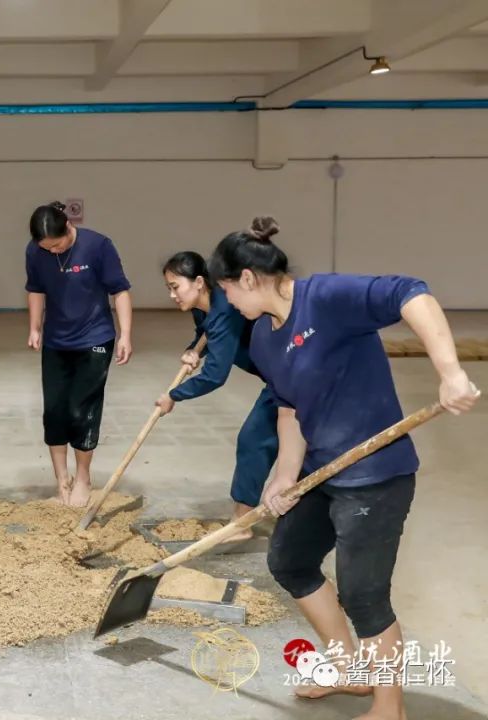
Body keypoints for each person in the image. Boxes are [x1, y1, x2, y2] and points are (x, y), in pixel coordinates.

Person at [209, 216, 479, 720]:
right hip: (321, 468)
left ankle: (389, 707)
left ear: (246, 278)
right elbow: (289, 408)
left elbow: (411, 293)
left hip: (375, 474)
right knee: (290, 561)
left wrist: (449, 372)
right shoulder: (264, 337)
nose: (226, 301)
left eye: (225, 289)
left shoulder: (326, 298)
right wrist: (285, 474)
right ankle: (350, 670)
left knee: (363, 595)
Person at [156, 251, 279, 541]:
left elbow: (215, 375)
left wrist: (174, 395)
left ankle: (242, 522)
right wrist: (193, 350)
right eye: (169, 288)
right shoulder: (202, 307)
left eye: (175, 287)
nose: (172, 295)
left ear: (199, 282)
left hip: (288, 374)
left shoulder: (225, 307)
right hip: (276, 376)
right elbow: (206, 334)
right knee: (269, 439)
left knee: (255, 438)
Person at [25, 201, 133, 506]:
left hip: (95, 338)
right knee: (55, 409)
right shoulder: (34, 251)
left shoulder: (98, 246)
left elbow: (119, 290)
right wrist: (35, 327)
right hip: (56, 341)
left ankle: (83, 477)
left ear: (69, 227)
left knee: (82, 409)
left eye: (57, 245)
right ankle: (61, 479)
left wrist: (125, 334)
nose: (53, 251)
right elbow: (36, 289)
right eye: (47, 248)